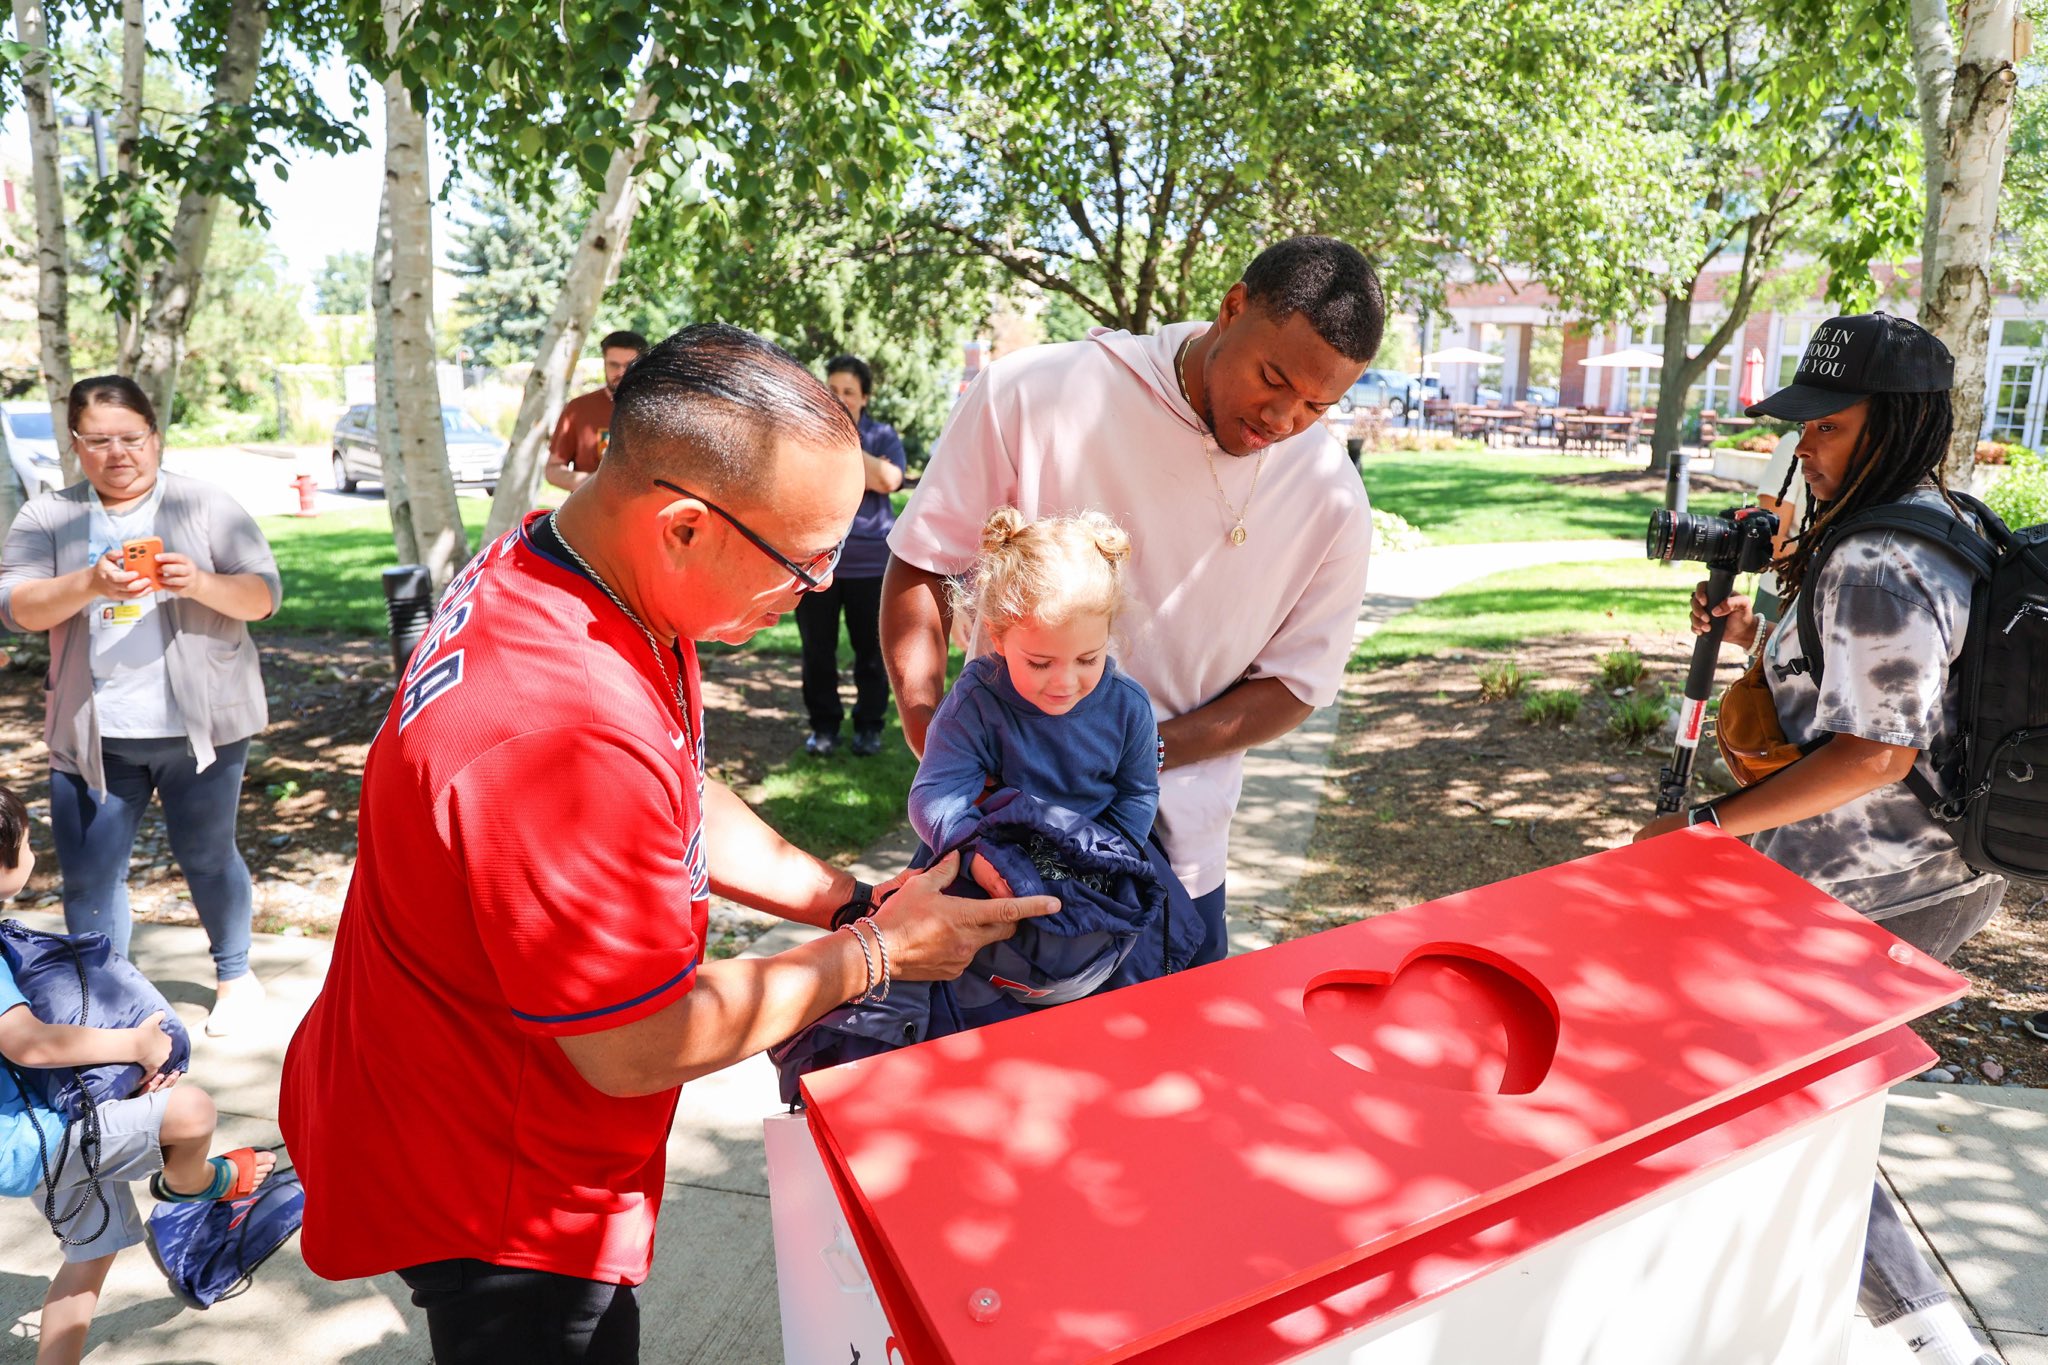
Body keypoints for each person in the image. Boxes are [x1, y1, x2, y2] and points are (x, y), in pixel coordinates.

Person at [280, 324, 1056, 1365]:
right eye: (802, 555)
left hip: (464, 1093)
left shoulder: (574, 564)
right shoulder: (557, 721)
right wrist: (878, 957)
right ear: (683, 526)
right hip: (495, 1178)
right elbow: (632, 1044)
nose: (823, 584)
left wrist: (851, 901)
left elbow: (671, 787)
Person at [1634, 313, 2002, 1365]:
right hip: (1910, 868)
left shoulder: (1880, 555)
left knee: (1787, 1102)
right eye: (1804, 427)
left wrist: (1704, 827)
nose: (1808, 448)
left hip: (1876, 877)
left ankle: (1933, 1341)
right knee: (1793, 1097)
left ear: (1893, 427)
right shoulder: (1929, 520)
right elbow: (1893, 689)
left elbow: (1874, 754)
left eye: (1830, 429)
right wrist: (1761, 637)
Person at [884, 234, 1383, 965]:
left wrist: (1132, 754)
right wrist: (933, 731)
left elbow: (1297, 685)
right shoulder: (1034, 393)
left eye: (1316, 403)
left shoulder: (1331, 499)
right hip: (990, 851)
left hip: (1179, 866)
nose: (1283, 419)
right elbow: (922, 563)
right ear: (1232, 306)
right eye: (1272, 378)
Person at [0, 376, 282, 1038]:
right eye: (98, 440)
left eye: (131, 437)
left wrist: (203, 583)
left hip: (201, 729)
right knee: (90, 878)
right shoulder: (49, 515)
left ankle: (235, 976)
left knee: (209, 854)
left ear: (155, 437)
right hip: (93, 733)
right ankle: (107, 996)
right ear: (75, 444)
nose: (117, 452)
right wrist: (89, 582)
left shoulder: (205, 503)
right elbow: (14, 608)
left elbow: (264, 596)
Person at [0, 783, 275, 1365]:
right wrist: (139, 1045)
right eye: (24, 841)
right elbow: (28, 1043)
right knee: (191, 1110)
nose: (30, 851)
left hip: (39, 1129)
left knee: (88, 1257)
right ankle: (193, 1183)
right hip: (30, 1142)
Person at [910, 507, 1157, 862]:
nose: (1065, 682)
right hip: (988, 852)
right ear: (997, 636)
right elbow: (934, 795)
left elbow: (1138, 794)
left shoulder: (1128, 707)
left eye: (1088, 659)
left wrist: (1109, 858)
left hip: (1097, 859)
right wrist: (977, 855)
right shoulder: (978, 699)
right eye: (1040, 663)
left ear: (1107, 633)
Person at [797, 354, 908, 757]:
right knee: (817, 652)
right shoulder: (804, 436)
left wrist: (840, 440)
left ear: (864, 397)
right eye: (832, 390)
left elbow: (888, 479)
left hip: (869, 563)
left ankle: (869, 727)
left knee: (871, 653)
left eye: (848, 392)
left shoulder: (880, 436)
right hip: (816, 561)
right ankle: (824, 728)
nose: (839, 398)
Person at [544, 330, 650, 491]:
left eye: (629, 365)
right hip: (590, 510)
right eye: (614, 365)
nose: (621, 372)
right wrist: (589, 483)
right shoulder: (578, 409)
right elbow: (553, 469)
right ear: (604, 363)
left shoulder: (659, 409)